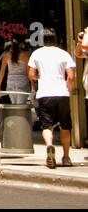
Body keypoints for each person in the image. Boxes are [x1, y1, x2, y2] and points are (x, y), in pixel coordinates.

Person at [28, 29, 77, 168]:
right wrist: (69, 88)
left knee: (46, 125)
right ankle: (66, 157)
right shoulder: (64, 54)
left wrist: (40, 78)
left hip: (45, 93)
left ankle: (50, 145)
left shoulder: (37, 54)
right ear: (56, 39)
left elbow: (31, 74)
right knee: (65, 125)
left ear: (43, 40)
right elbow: (71, 76)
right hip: (62, 93)